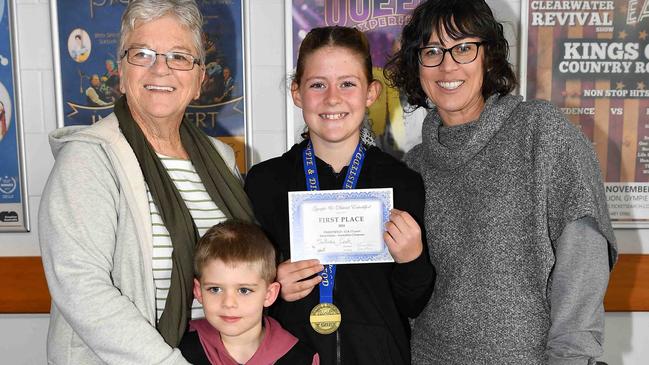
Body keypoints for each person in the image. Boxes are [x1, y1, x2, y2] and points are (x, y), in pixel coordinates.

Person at [384, 1, 618, 364]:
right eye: (432, 51)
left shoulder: (541, 132)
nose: (448, 65)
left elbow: (583, 263)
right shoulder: (414, 165)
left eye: (463, 48)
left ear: (488, 56)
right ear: (417, 64)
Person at [39, 1, 254, 364]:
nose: (160, 68)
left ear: (200, 79)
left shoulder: (220, 159)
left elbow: (235, 261)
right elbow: (82, 288)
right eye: (142, 53)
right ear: (122, 73)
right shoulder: (88, 159)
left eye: (179, 56)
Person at [244, 26, 435, 365]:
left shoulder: (401, 183)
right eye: (318, 84)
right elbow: (239, 291)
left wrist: (412, 259)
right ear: (297, 93)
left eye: (348, 84)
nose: (332, 98)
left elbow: (414, 302)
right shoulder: (264, 183)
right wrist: (271, 289)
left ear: (371, 93)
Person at [178, 220, 320, 364]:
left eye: (244, 290)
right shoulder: (179, 353)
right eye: (215, 289)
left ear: (269, 294)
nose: (228, 303)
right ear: (198, 291)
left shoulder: (301, 359)